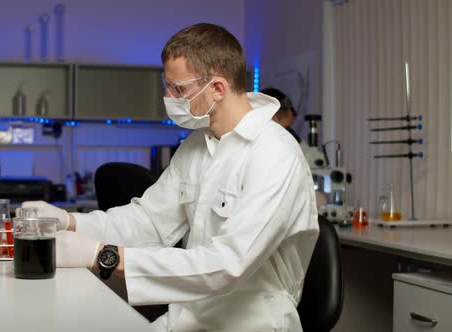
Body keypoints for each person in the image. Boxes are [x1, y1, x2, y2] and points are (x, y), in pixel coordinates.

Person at [22, 23, 319, 332]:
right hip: (190, 317)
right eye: (169, 87)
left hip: (252, 323)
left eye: (179, 89)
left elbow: (228, 264)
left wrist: (102, 256)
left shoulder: (274, 154)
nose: (169, 98)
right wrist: (70, 222)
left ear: (217, 88)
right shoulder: (196, 145)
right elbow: (149, 221)